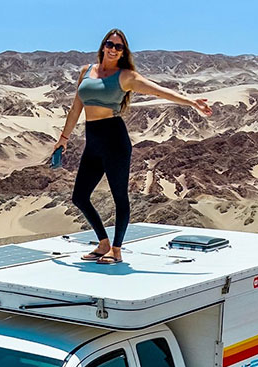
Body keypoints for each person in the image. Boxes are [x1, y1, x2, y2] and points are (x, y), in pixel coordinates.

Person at [52, 29, 213, 264]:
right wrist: (64, 138)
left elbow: (159, 90)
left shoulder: (126, 76)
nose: (113, 49)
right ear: (103, 46)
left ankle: (116, 250)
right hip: (93, 140)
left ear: (123, 52)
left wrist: (191, 102)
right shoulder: (86, 72)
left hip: (114, 140)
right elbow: (76, 108)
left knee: (119, 197)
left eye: (119, 47)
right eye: (110, 44)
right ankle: (103, 243)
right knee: (79, 196)